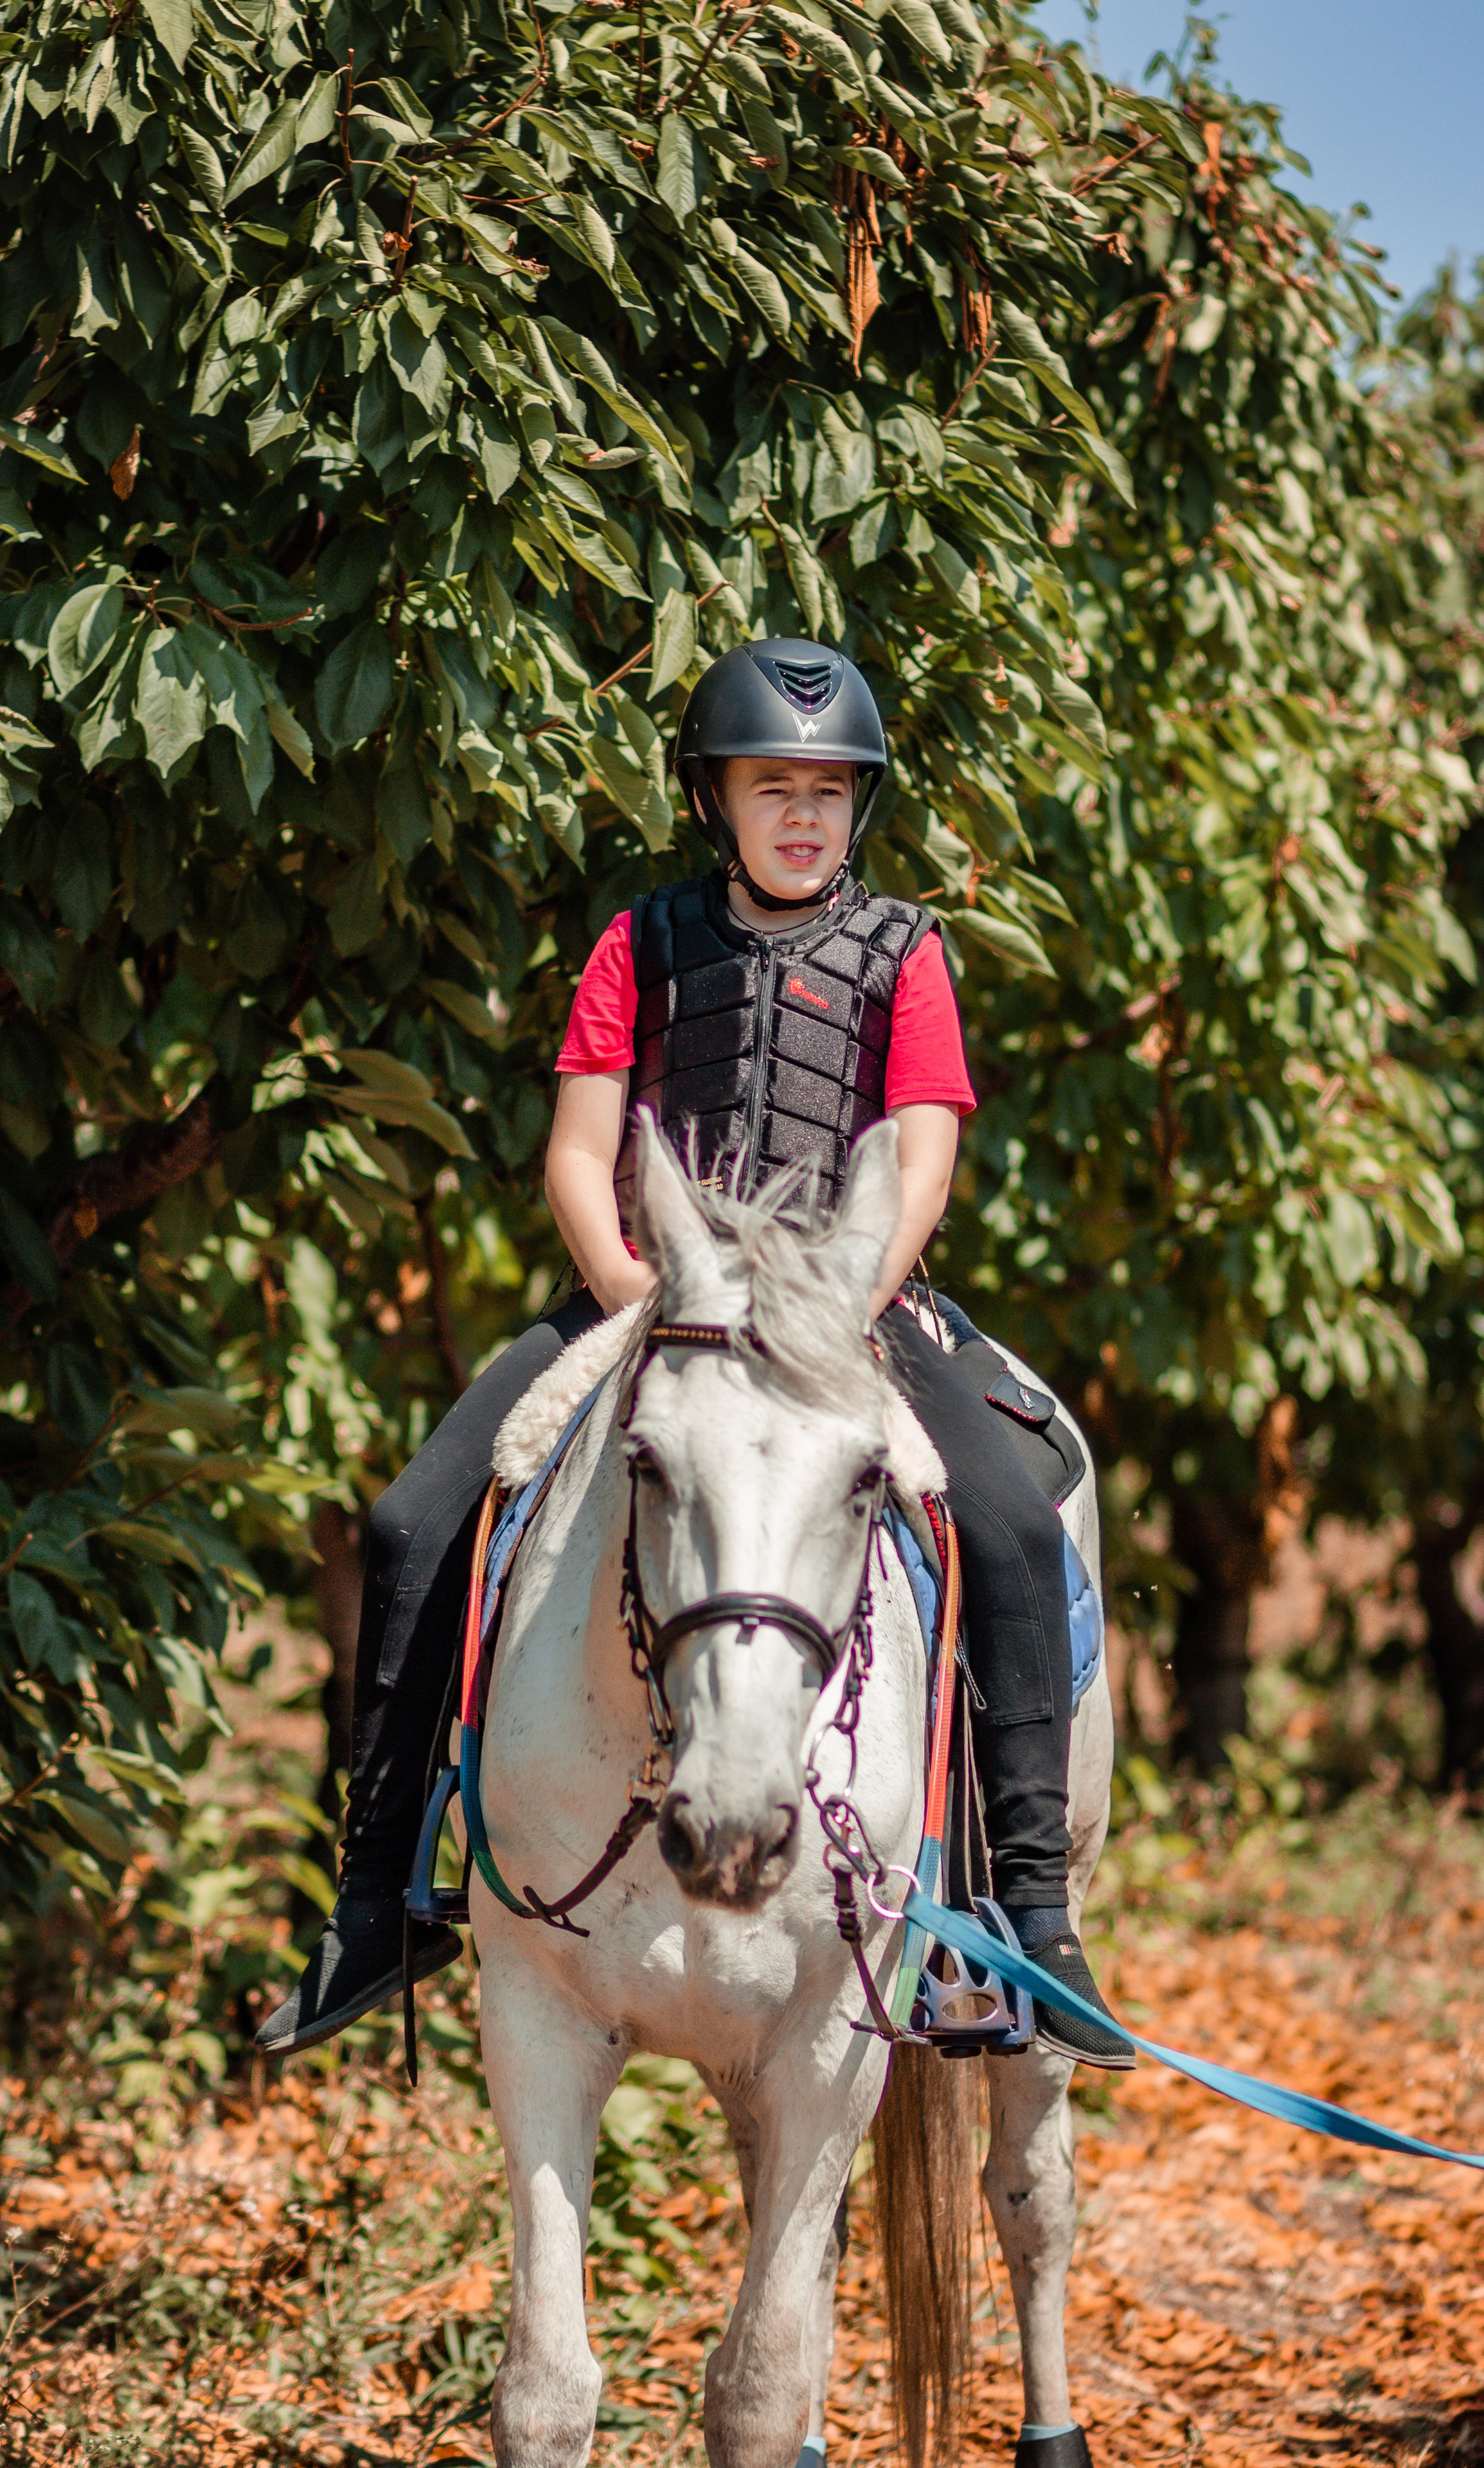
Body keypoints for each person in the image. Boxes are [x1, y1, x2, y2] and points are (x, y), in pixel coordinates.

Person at [256, 639, 1131, 2071]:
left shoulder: (907, 952)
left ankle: (1027, 1918)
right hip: (649, 1299)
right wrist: (629, 1298)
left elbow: (922, 1162)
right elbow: (580, 1149)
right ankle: (380, 1902)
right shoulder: (640, 940)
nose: (803, 814)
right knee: (412, 1520)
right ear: (711, 799)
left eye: (830, 791)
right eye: (770, 786)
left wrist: (843, 1299)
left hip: (850, 1307)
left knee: (1012, 1520)